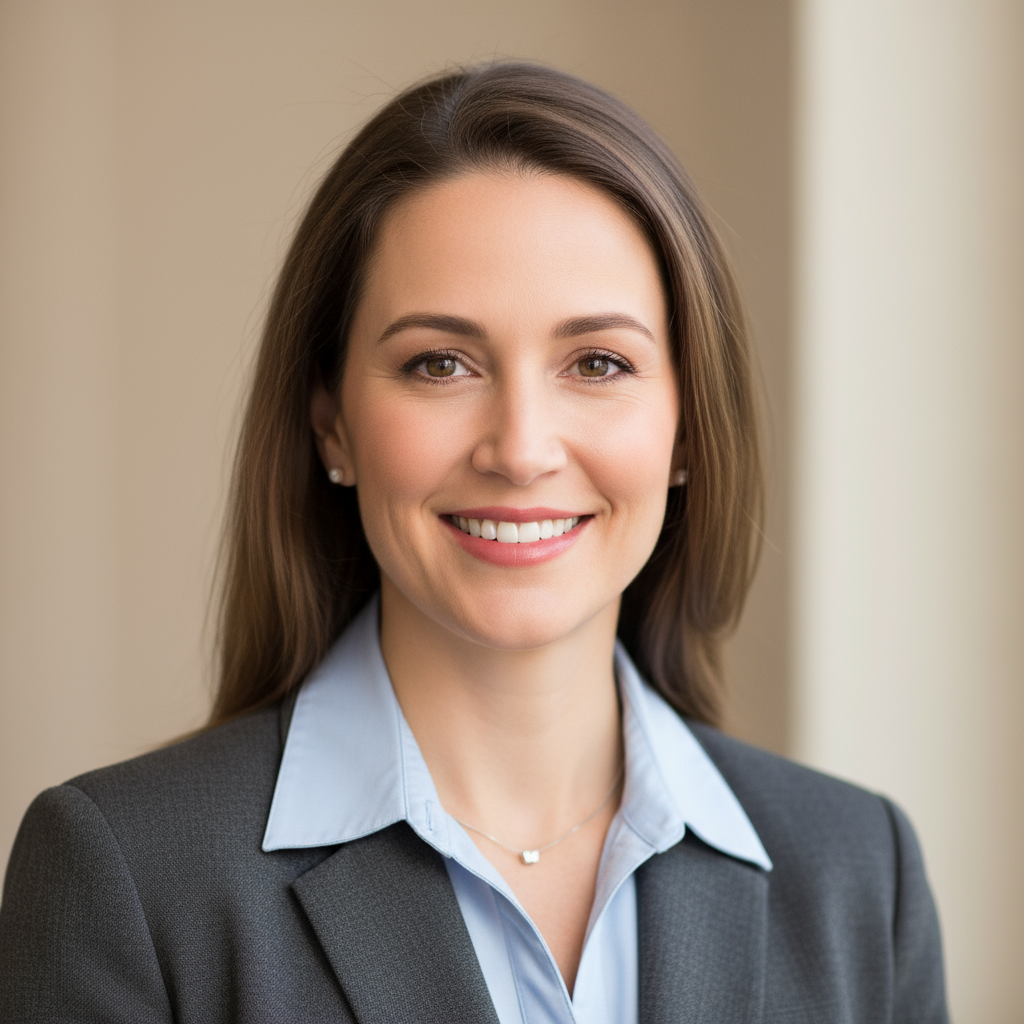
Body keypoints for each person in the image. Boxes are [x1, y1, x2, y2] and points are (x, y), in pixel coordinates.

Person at [0, 61, 947, 1023]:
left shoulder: (861, 877)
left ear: (687, 426)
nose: (522, 449)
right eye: (440, 363)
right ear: (331, 423)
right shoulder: (126, 882)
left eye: (598, 362)